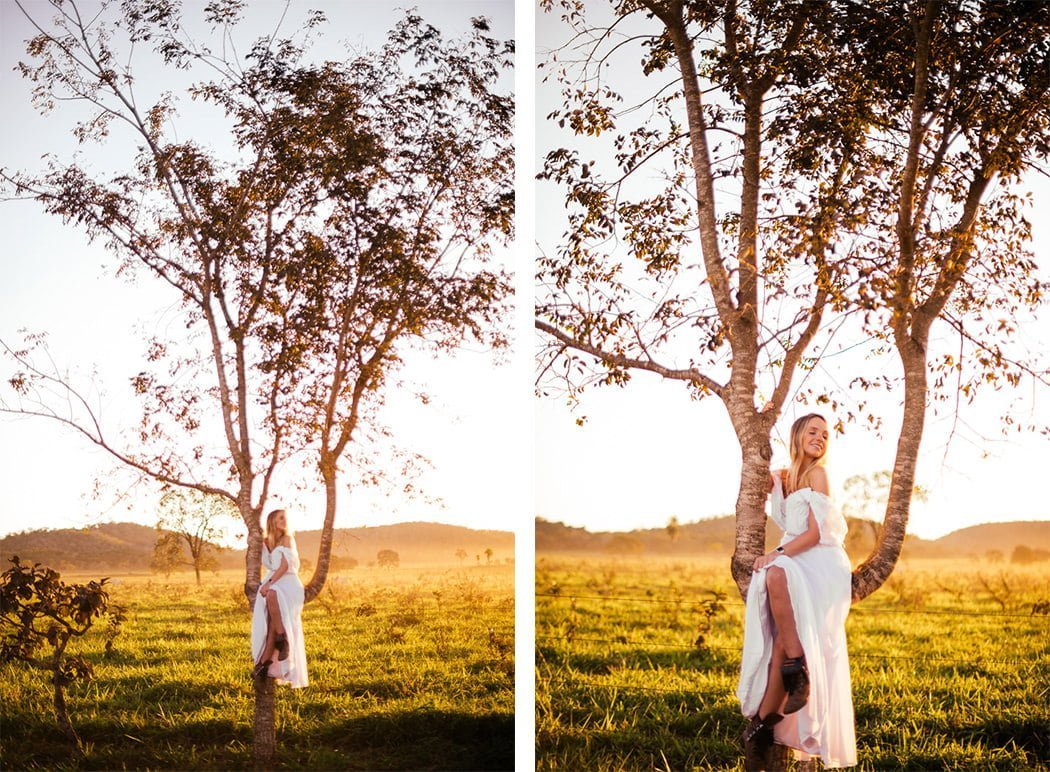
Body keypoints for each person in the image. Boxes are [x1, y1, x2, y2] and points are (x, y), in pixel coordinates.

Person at [736, 413, 856, 769]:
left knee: (773, 573)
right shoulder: (787, 478)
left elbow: (817, 533)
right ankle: (763, 725)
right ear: (798, 434)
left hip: (819, 560)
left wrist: (776, 553)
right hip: (796, 557)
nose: (820, 438)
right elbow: (782, 516)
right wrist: (771, 482)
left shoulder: (819, 474)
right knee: (777, 646)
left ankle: (795, 664)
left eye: (826, 434)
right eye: (813, 431)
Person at [251, 508, 308, 688]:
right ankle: (265, 663)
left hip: (288, 582)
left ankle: (282, 640)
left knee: (273, 593)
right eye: (280, 518)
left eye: (285, 518)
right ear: (272, 521)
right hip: (274, 581)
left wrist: (269, 584)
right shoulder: (267, 542)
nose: (284, 521)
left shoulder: (287, 538)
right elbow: (267, 563)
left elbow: (284, 566)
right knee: (270, 626)